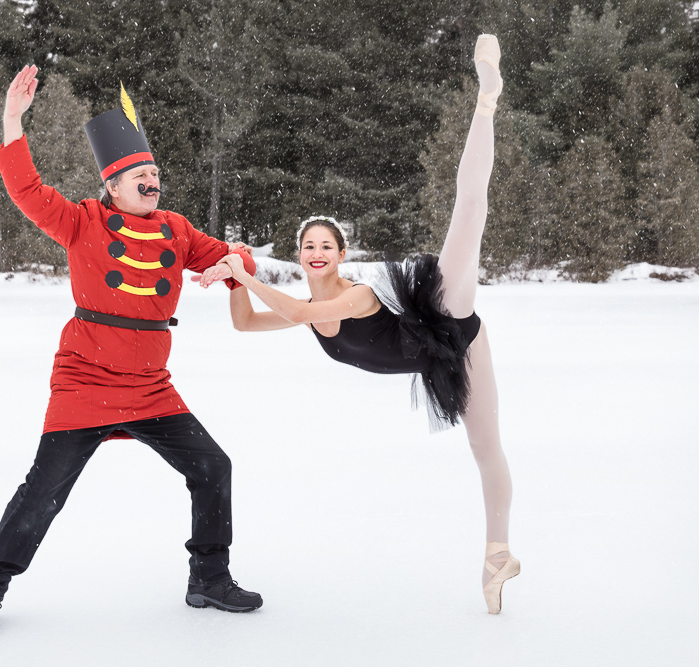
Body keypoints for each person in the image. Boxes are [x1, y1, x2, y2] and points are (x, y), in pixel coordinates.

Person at [200, 35, 518, 614]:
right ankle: (499, 557)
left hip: (449, 321)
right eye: (307, 245)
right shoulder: (308, 307)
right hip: (447, 362)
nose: (316, 252)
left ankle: (487, 100)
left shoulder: (356, 296)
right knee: (482, 447)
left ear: (340, 255)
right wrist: (234, 273)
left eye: (326, 245)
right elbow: (246, 324)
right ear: (300, 255)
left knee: (469, 212)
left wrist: (243, 273)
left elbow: (296, 312)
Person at [0, 67, 262, 634]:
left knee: (212, 466)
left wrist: (231, 262)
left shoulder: (177, 229)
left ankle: (209, 578)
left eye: (155, 173)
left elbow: (238, 262)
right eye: (141, 174)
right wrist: (11, 119)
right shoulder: (81, 222)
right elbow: (26, 189)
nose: (152, 181)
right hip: (85, 385)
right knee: (43, 491)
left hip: (150, 388)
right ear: (113, 185)